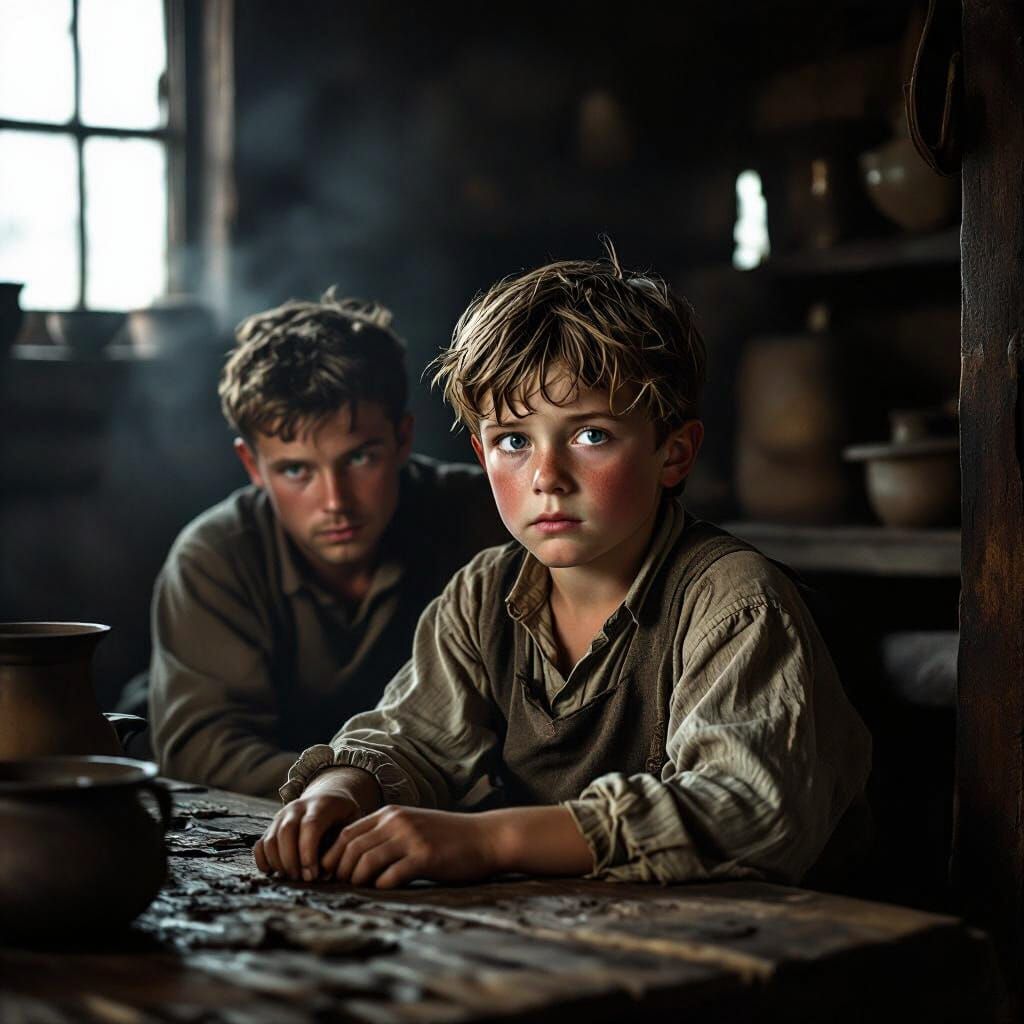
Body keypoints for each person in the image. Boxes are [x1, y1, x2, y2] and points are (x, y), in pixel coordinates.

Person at [253, 252, 872, 888]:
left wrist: (492, 840)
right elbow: (411, 739)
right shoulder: (482, 596)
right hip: (576, 938)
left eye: (591, 435)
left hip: (775, 952)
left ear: (674, 453)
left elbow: (749, 810)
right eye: (514, 441)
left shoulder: (733, 602)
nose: (546, 477)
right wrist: (339, 789)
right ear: (481, 452)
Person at [148, 290, 508, 798]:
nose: (335, 501)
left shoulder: (483, 520)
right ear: (252, 467)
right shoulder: (214, 557)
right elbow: (202, 751)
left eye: (360, 458)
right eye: (296, 471)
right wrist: (360, 787)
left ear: (403, 439)